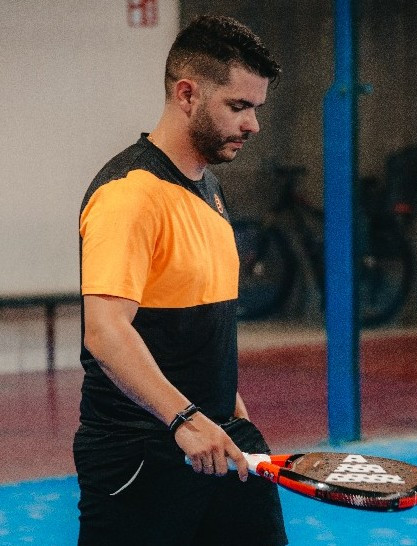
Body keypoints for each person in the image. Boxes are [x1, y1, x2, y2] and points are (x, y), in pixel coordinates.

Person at [74, 14, 287, 545]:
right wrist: (186, 420)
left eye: (256, 109)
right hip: (143, 454)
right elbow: (106, 331)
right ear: (187, 94)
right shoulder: (129, 194)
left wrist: (228, 404)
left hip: (218, 439)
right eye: (238, 106)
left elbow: (197, 319)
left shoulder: (207, 187)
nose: (253, 125)